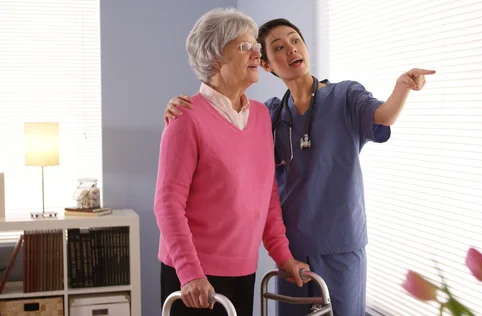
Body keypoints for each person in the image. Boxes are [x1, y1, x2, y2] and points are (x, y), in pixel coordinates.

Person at [162, 17, 435, 316]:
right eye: (250, 47)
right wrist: (190, 273)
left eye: (294, 41)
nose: (288, 50)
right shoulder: (241, 115)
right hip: (235, 265)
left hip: (299, 254)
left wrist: (402, 89)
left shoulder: (290, 109)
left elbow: (382, 115)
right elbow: (169, 202)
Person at [154, 10, 310, 316]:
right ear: (215, 59)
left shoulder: (262, 116)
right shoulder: (185, 117)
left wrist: (282, 256)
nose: (256, 52)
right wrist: (190, 273)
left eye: (255, 45)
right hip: (194, 278)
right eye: (244, 47)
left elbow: (267, 195)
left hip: (242, 269)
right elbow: (167, 204)